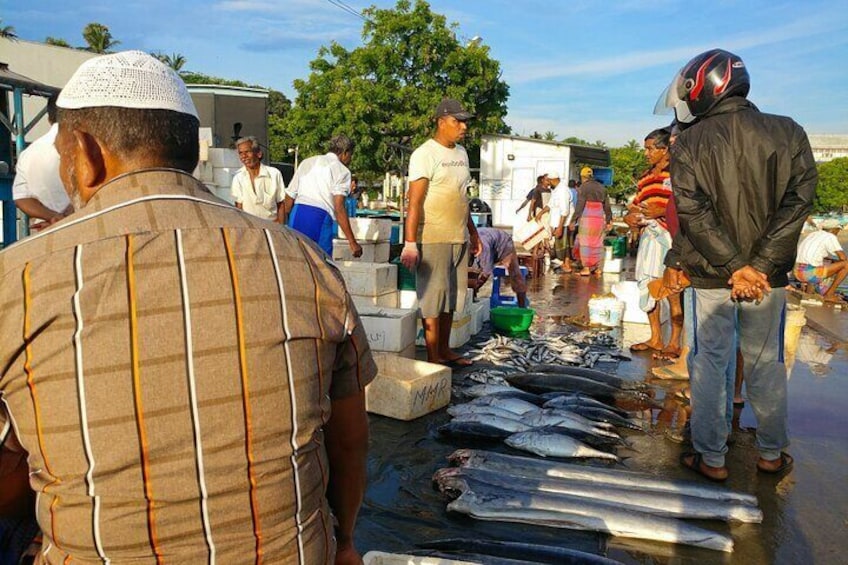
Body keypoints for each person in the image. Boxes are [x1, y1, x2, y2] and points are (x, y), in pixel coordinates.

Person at [0, 50, 376, 564]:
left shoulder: (17, 277)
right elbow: (351, 443)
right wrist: (347, 543)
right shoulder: (305, 263)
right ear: (192, 155)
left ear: (84, 154)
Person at [657, 48, 817, 481]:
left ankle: (711, 458)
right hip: (769, 278)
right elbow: (798, 202)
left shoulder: (688, 142)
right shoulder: (789, 132)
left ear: (708, 86)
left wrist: (734, 266)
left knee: (709, 362)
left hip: (712, 274)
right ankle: (770, 453)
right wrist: (760, 266)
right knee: (765, 362)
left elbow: (692, 212)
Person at [400, 98, 482, 368]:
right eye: (457, 121)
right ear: (440, 121)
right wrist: (410, 242)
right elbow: (415, 202)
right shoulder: (425, 154)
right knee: (434, 299)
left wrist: (474, 233)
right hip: (433, 236)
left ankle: (445, 350)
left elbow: (463, 197)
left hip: (458, 236)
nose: (463, 127)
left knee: (452, 298)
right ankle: (433, 356)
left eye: (464, 121)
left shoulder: (461, 154)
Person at [626, 128, 683, 360]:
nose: (646, 153)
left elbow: (689, 204)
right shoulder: (645, 177)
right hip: (649, 237)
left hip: (672, 238)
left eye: (651, 149)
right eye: (646, 148)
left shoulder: (679, 174)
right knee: (649, 286)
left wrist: (664, 210)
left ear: (665, 149)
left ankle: (675, 342)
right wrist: (631, 217)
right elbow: (636, 204)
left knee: (672, 288)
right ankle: (656, 338)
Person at [286, 135, 362, 258]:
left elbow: (289, 196)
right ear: (345, 152)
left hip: (297, 213)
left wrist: (284, 223)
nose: (350, 159)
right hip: (319, 217)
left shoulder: (307, 162)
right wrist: (352, 242)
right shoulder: (342, 171)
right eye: (350, 155)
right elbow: (339, 207)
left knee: (296, 261)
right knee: (322, 266)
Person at [12, 92, 74, 228]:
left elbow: (21, 198)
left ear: (49, 119)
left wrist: (53, 218)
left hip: (45, 231)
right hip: (80, 225)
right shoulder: (83, 145)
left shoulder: (28, 153)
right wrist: (64, 219)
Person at [230, 136, 287, 222]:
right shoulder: (238, 178)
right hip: (251, 227)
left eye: (247, 152)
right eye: (240, 153)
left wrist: (281, 228)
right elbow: (239, 207)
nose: (244, 156)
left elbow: (281, 204)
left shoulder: (274, 174)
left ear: (259, 154)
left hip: (272, 226)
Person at [793, 219, 848, 304]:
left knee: (829, 261)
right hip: (807, 274)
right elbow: (843, 258)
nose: (838, 232)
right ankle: (829, 294)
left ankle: (816, 289)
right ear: (834, 229)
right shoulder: (830, 236)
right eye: (838, 230)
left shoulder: (813, 234)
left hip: (797, 272)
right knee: (846, 264)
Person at [570, 166, 612, 276]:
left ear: (583, 177)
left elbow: (580, 205)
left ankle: (586, 268)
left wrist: (573, 220)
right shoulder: (602, 188)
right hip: (598, 218)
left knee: (585, 243)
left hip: (587, 217)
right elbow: (607, 206)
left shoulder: (583, 187)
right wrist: (608, 220)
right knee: (598, 242)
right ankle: (598, 268)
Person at [471, 227, 528, 307]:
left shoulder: (484, 249)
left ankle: (522, 309)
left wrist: (475, 287)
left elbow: (486, 273)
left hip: (504, 244)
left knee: (515, 275)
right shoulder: (463, 247)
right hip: (490, 240)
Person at [545, 171, 574, 272]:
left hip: (563, 223)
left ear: (553, 180)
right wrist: (540, 214)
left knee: (562, 247)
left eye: (549, 181)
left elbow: (564, 211)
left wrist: (560, 227)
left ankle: (565, 265)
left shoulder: (563, 191)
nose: (548, 183)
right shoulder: (556, 190)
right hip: (556, 222)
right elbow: (550, 204)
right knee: (562, 246)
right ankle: (565, 265)